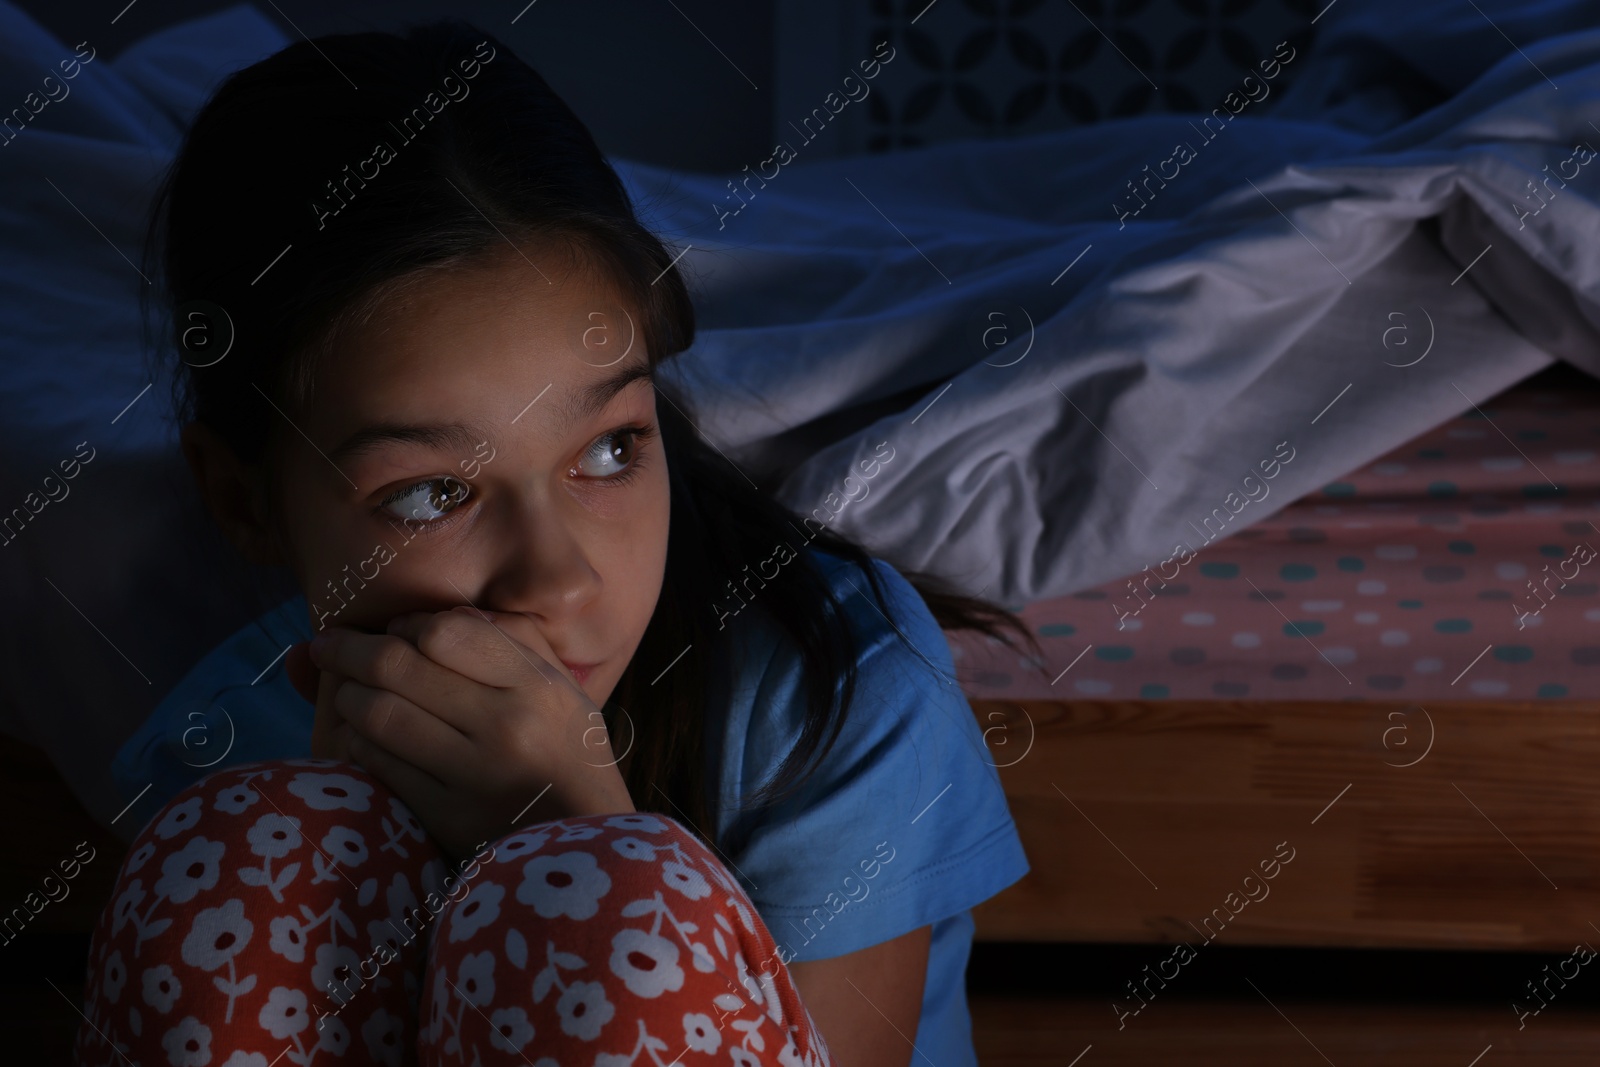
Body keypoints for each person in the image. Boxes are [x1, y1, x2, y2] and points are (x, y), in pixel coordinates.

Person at [81, 21, 1035, 1067]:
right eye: (433, 491)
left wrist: (571, 828)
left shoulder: (830, 678)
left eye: (612, 447)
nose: (559, 573)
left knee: (597, 897)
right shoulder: (227, 762)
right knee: (255, 852)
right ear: (242, 498)